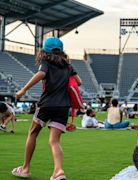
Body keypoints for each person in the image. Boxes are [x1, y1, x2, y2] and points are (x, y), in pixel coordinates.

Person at [12, 37, 82, 180]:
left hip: (47, 104)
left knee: (33, 133)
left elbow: (41, 74)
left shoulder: (46, 62)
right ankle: (58, 171)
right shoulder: (68, 66)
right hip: (63, 106)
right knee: (54, 141)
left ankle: (25, 169)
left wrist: (23, 90)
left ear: (45, 50)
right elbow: (79, 82)